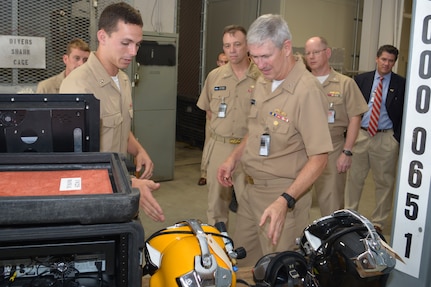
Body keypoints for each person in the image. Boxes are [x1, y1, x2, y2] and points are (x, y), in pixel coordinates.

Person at [217, 14, 333, 267]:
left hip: (282, 198)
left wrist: (285, 201)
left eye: (266, 56)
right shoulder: (262, 81)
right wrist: (233, 158)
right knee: (244, 266)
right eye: (254, 57)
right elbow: (257, 129)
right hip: (248, 193)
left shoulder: (306, 91)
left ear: (287, 47)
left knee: (278, 270)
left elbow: (319, 158)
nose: (259, 64)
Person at [60, 2, 165, 222]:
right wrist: (130, 182)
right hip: (93, 202)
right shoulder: (78, 87)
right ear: (102, 36)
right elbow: (74, 163)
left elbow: (118, 127)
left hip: (118, 192)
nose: (133, 52)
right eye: (126, 43)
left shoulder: (123, 79)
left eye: (137, 44)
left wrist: (138, 150)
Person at [197, 25, 261, 227]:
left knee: (250, 205)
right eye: (227, 46)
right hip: (220, 147)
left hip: (249, 149)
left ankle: (249, 252)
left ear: (248, 46)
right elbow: (209, 112)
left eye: (237, 45)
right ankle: (218, 248)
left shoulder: (262, 79)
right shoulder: (215, 77)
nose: (232, 50)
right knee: (216, 207)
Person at [304, 36, 368, 216]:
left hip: (332, 149)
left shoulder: (345, 83)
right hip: (302, 148)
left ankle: (331, 241)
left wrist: (347, 152)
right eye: (308, 53)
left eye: (316, 52)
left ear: (328, 53)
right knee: (298, 202)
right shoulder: (301, 82)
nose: (311, 57)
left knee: (331, 202)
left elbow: (355, 118)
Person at [345, 44, 405, 233]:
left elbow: (404, 113)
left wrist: (396, 138)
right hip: (361, 135)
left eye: (391, 61)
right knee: (354, 179)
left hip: (385, 138)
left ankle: (378, 222)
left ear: (394, 63)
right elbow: (350, 108)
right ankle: (350, 216)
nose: (386, 64)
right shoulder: (361, 80)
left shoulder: (401, 84)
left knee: (384, 182)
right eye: (384, 59)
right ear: (377, 59)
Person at [198, 52, 229, 186]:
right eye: (221, 62)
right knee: (209, 144)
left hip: (228, 122)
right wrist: (212, 117)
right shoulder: (213, 76)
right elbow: (206, 101)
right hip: (213, 118)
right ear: (217, 62)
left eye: (226, 62)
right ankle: (204, 173)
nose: (223, 65)